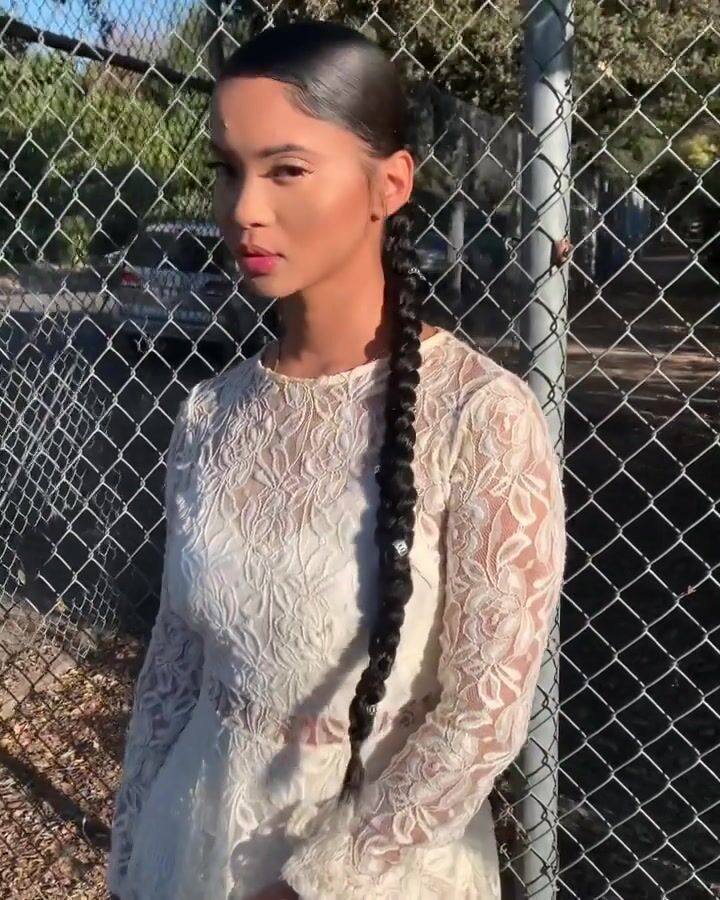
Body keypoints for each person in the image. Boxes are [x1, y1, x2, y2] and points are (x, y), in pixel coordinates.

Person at [107, 20, 566, 900]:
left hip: (376, 860)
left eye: (286, 169)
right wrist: (130, 856)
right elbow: (174, 665)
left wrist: (316, 883)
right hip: (191, 827)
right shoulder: (210, 413)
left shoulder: (477, 416)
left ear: (389, 184)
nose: (244, 208)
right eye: (227, 169)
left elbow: (483, 712)